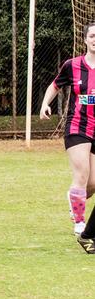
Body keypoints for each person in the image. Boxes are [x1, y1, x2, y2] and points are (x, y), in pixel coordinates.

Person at [40, 21, 95, 251]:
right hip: (77, 127)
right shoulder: (72, 65)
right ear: (85, 40)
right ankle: (80, 225)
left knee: (92, 183)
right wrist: (44, 104)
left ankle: (75, 200)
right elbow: (55, 85)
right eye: (92, 36)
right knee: (81, 175)